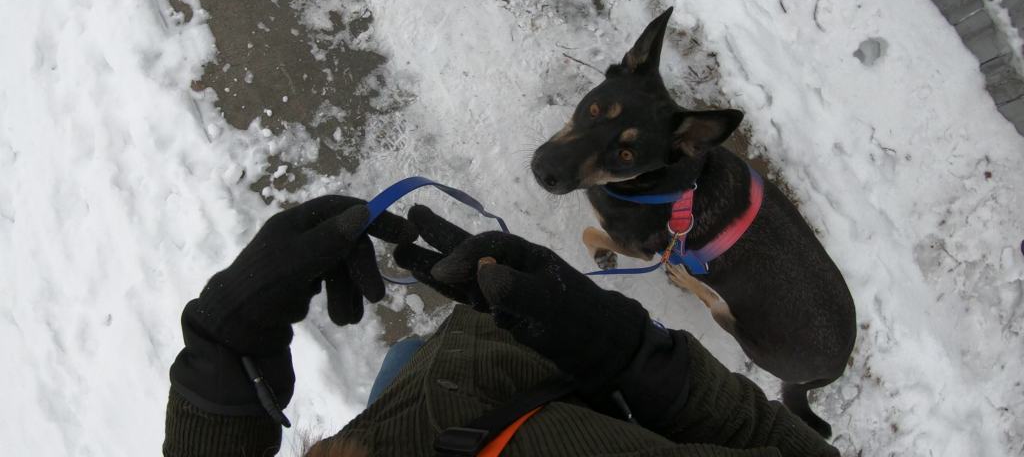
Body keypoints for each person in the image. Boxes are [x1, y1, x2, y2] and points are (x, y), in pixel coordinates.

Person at [163, 195, 839, 456]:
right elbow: (767, 442)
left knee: (407, 359)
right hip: (544, 406)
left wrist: (223, 361)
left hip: (460, 405)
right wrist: (638, 362)